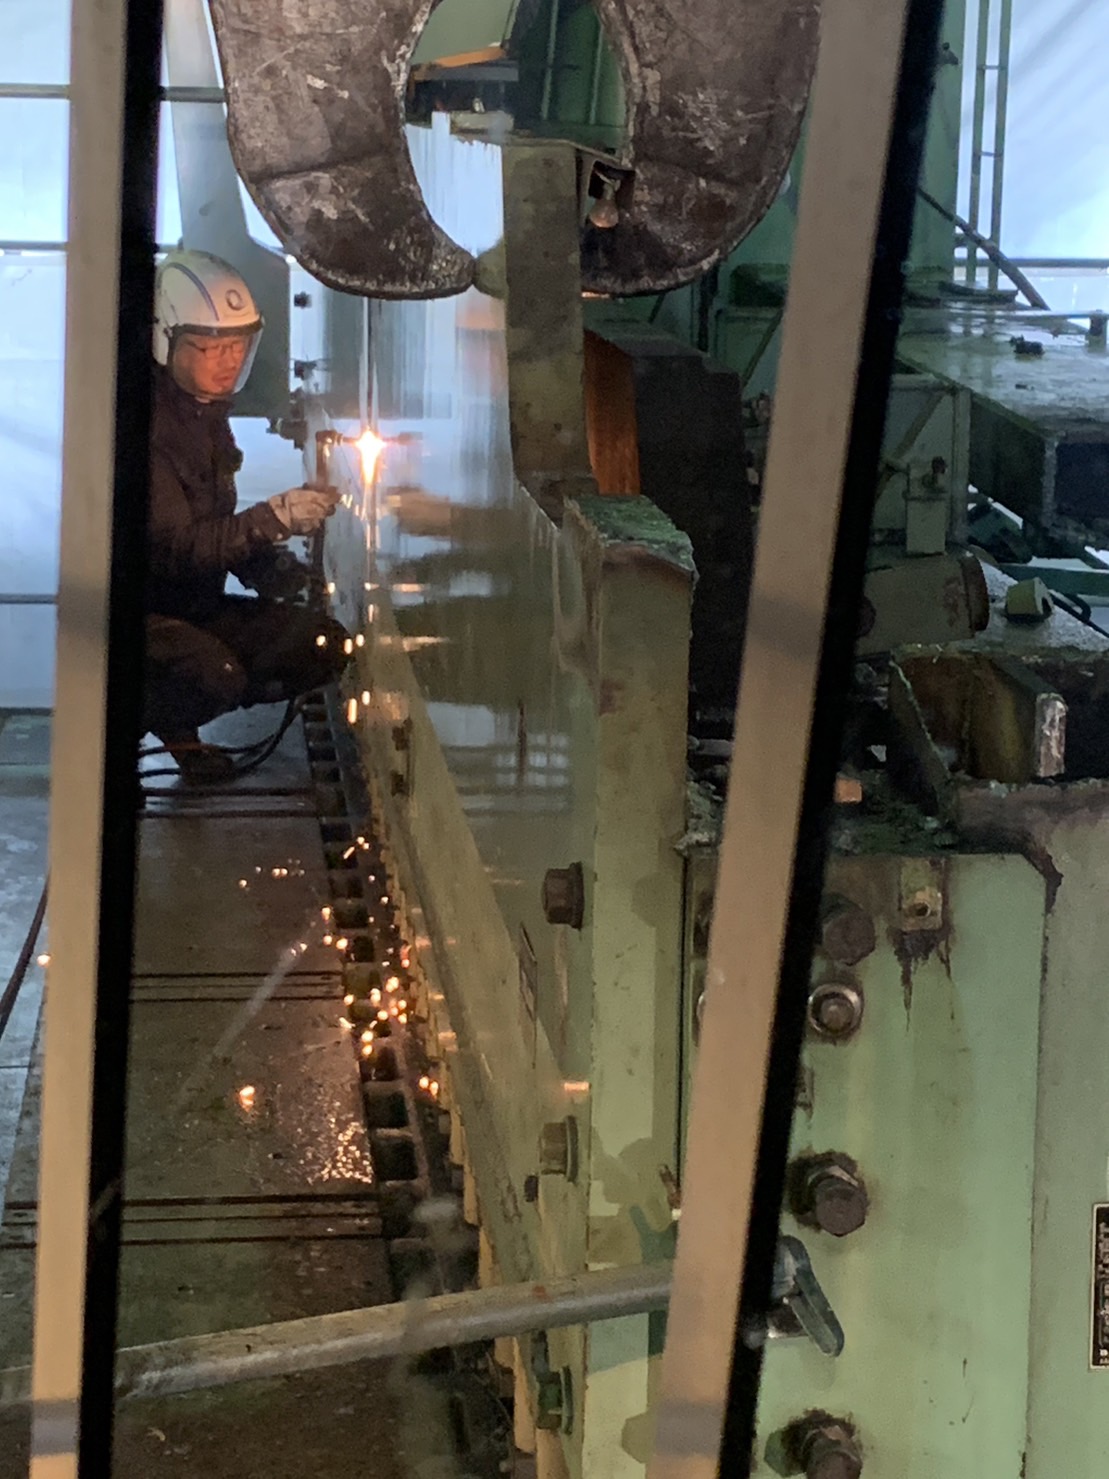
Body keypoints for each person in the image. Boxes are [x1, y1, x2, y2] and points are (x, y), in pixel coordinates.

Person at [144, 249, 350, 783]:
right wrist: (272, 519)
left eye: (237, 346)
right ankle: (134, 734)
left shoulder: (205, 413)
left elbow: (216, 523)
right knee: (215, 675)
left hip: (194, 606)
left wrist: (273, 572)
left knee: (320, 646)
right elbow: (175, 550)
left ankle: (179, 715)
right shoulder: (147, 427)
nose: (228, 361)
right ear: (165, 340)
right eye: (210, 347)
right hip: (138, 620)